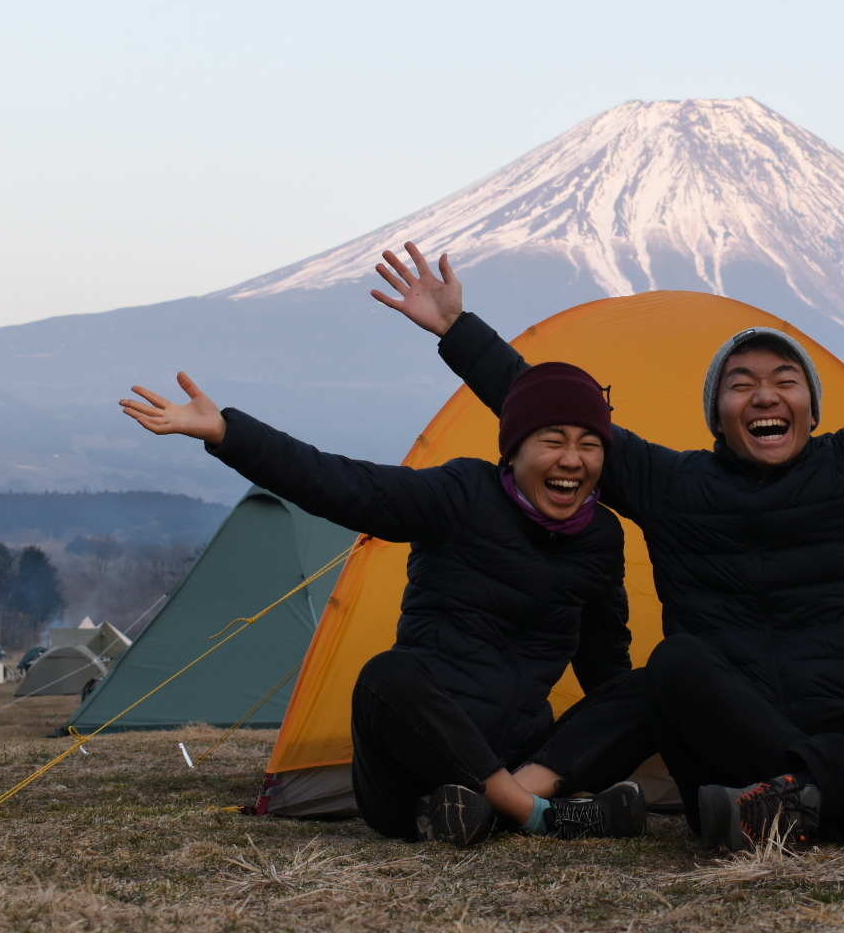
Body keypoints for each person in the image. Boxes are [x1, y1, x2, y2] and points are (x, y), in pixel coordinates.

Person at [372, 141, 844, 850]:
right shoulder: (672, 485)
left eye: (785, 381)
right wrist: (457, 331)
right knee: (676, 663)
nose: (765, 396)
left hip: (835, 740)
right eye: (741, 385)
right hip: (726, 757)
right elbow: (547, 409)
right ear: (717, 416)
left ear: (811, 407)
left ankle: (802, 804)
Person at [119, 362, 652, 846]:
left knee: (652, 685)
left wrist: (615, 728)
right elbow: (345, 486)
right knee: (386, 676)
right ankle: (536, 815)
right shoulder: (463, 494)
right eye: (553, 441)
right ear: (513, 450)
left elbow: (605, 664)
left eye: (590, 445)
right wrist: (228, 434)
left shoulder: (600, 538)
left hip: (524, 755)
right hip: (413, 766)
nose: (571, 460)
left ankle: (495, 806)